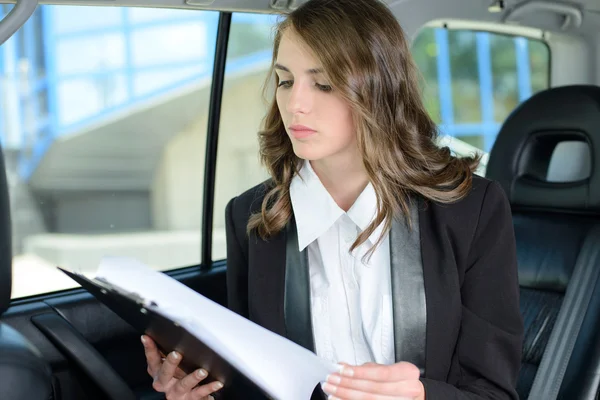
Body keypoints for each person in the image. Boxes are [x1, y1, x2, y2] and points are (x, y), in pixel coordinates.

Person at [141, 0, 524, 398]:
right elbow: (249, 384)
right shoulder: (251, 217)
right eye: (285, 81)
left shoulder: (470, 210)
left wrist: (421, 396)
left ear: (379, 89)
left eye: (323, 84)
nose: (294, 104)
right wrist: (200, 393)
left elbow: (493, 393)